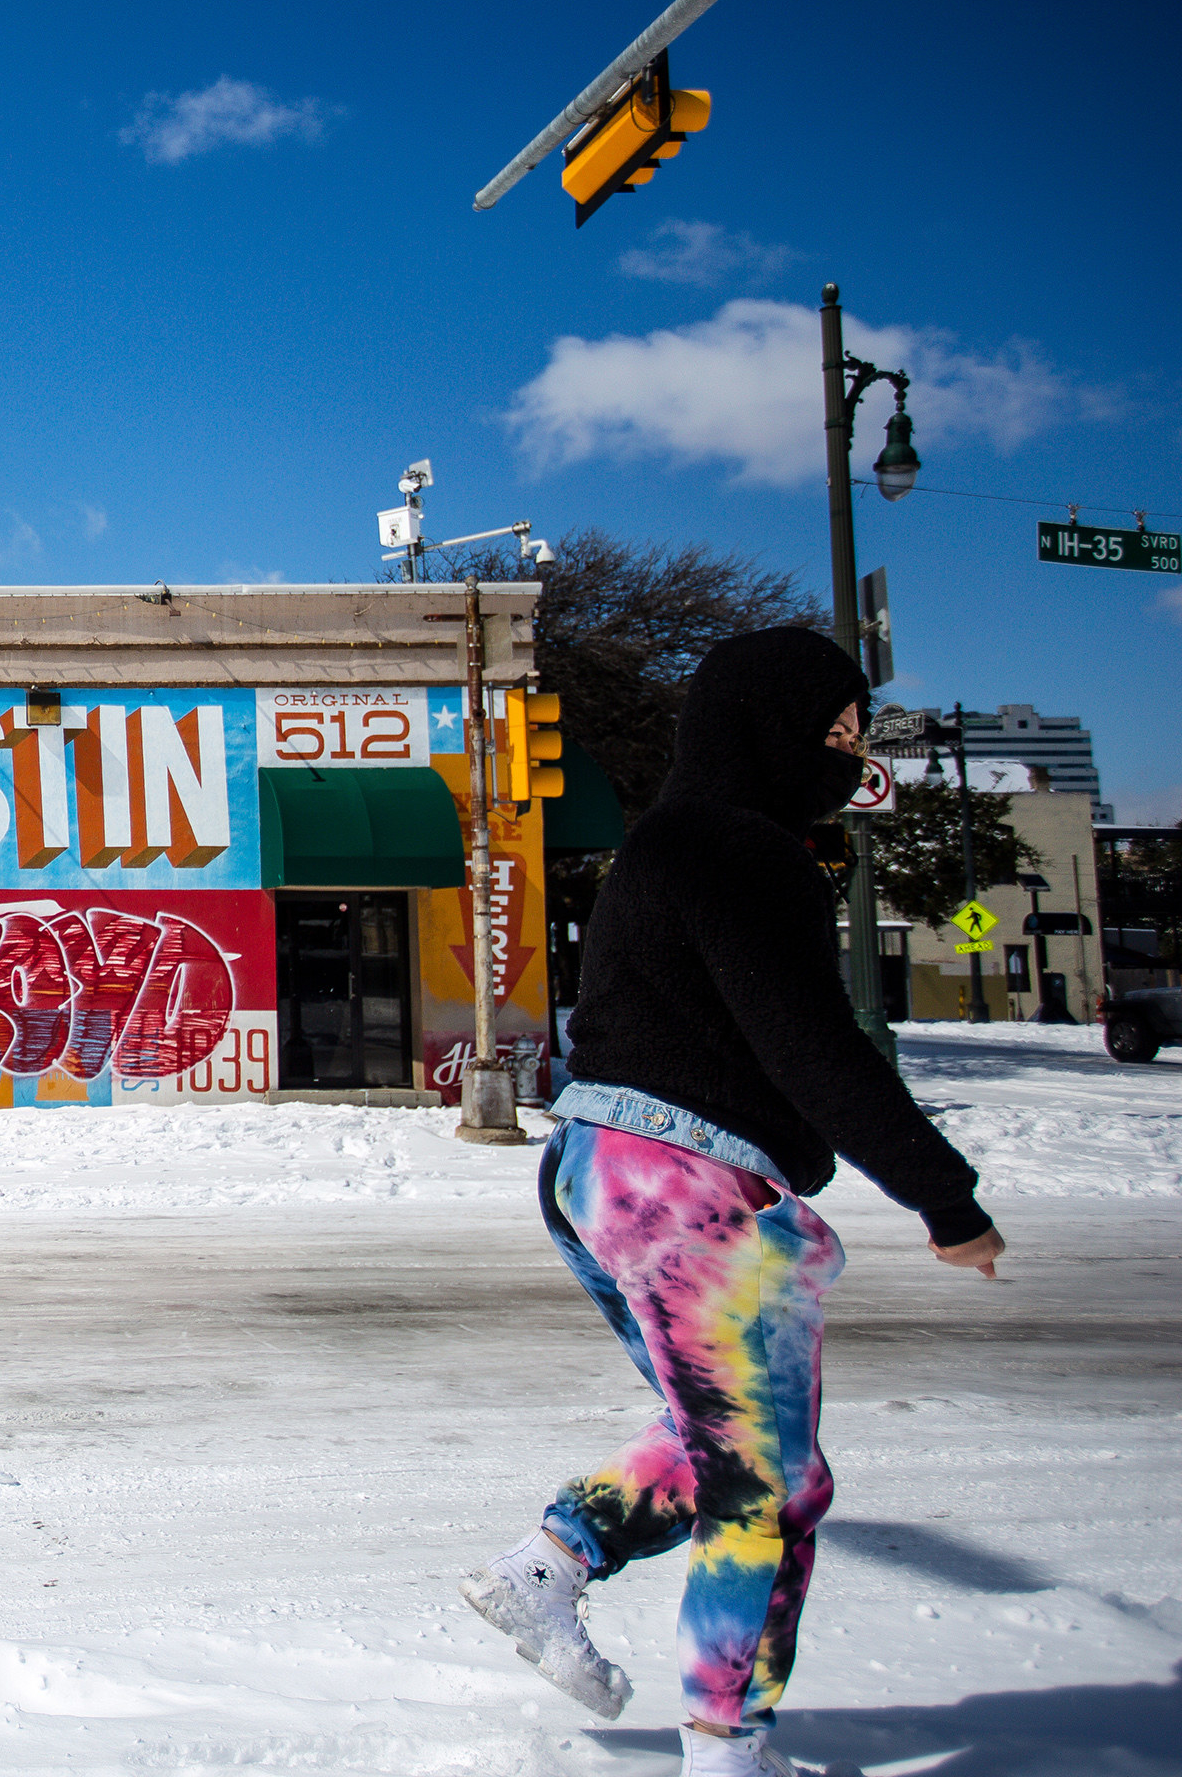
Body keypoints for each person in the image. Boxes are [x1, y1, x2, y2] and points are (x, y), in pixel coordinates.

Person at [460, 628, 1005, 1777]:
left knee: (714, 1441)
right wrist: (943, 1194)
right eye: (836, 729)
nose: (850, 754)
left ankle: (548, 1563)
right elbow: (813, 1044)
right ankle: (730, 1747)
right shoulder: (741, 850)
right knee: (769, 1483)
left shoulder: (663, 845)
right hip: (691, 1184)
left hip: (597, 1167)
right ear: (767, 726)